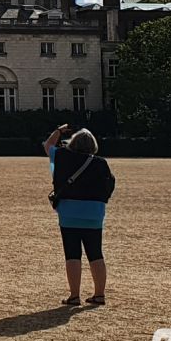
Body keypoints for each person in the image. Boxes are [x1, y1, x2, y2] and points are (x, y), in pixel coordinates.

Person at [43, 124, 116, 307]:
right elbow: (109, 185)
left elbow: (48, 145)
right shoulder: (100, 163)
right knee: (95, 253)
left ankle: (74, 295)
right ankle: (99, 294)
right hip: (94, 213)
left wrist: (59, 131)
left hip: (68, 212)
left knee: (72, 254)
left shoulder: (61, 156)